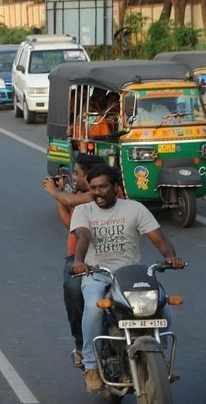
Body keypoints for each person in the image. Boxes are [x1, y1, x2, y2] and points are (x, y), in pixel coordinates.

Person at [71, 164, 186, 393]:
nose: (98, 192)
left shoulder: (134, 209)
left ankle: (159, 358)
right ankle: (92, 366)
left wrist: (171, 257)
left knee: (163, 306)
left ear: (116, 187)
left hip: (131, 274)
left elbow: (159, 239)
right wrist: (79, 261)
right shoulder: (84, 211)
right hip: (98, 274)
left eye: (103, 186)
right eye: (93, 188)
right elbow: (83, 237)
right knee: (93, 309)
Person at [42, 154, 105, 370]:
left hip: (105, 258)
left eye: (77, 174)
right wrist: (57, 196)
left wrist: (54, 191)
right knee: (73, 291)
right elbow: (69, 222)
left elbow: (70, 201)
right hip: (77, 260)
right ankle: (81, 345)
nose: (74, 178)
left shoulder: (102, 192)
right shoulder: (80, 195)